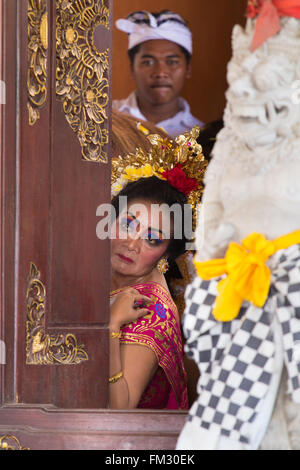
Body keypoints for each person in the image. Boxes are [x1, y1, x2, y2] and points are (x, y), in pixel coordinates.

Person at [177, 1, 300, 450]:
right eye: (240, 76)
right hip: (242, 318)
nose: (246, 89)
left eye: (263, 78)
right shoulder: (230, 147)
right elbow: (209, 244)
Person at [108, 126, 207, 410]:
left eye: (152, 239)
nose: (132, 244)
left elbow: (120, 410)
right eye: (128, 224)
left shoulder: (152, 310)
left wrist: (112, 326)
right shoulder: (106, 275)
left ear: (166, 254)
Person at [113, 10, 204, 138]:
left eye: (172, 62)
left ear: (188, 69)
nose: (160, 73)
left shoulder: (200, 135)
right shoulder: (107, 119)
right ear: (132, 69)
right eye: (148, 62)